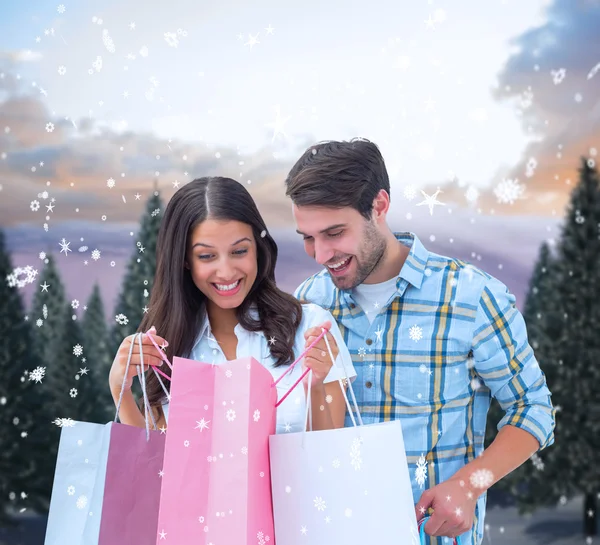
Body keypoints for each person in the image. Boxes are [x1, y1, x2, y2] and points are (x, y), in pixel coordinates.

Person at [285, 138, 556, 545]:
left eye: (334, 233)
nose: (321, 254)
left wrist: (470, 485)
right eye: (307, 237)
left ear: (379, 205)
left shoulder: (471, 297)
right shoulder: (309, 302)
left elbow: (533, 408)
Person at [109, 176, 356, 435]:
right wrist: (120, 391)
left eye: (239, 251)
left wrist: (314, 386)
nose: (226, 272)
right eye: (206, 256)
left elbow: (329, 457)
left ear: (258, 249)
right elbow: (154, 467)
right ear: (184, 260)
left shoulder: (309, 328)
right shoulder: (166, 345)